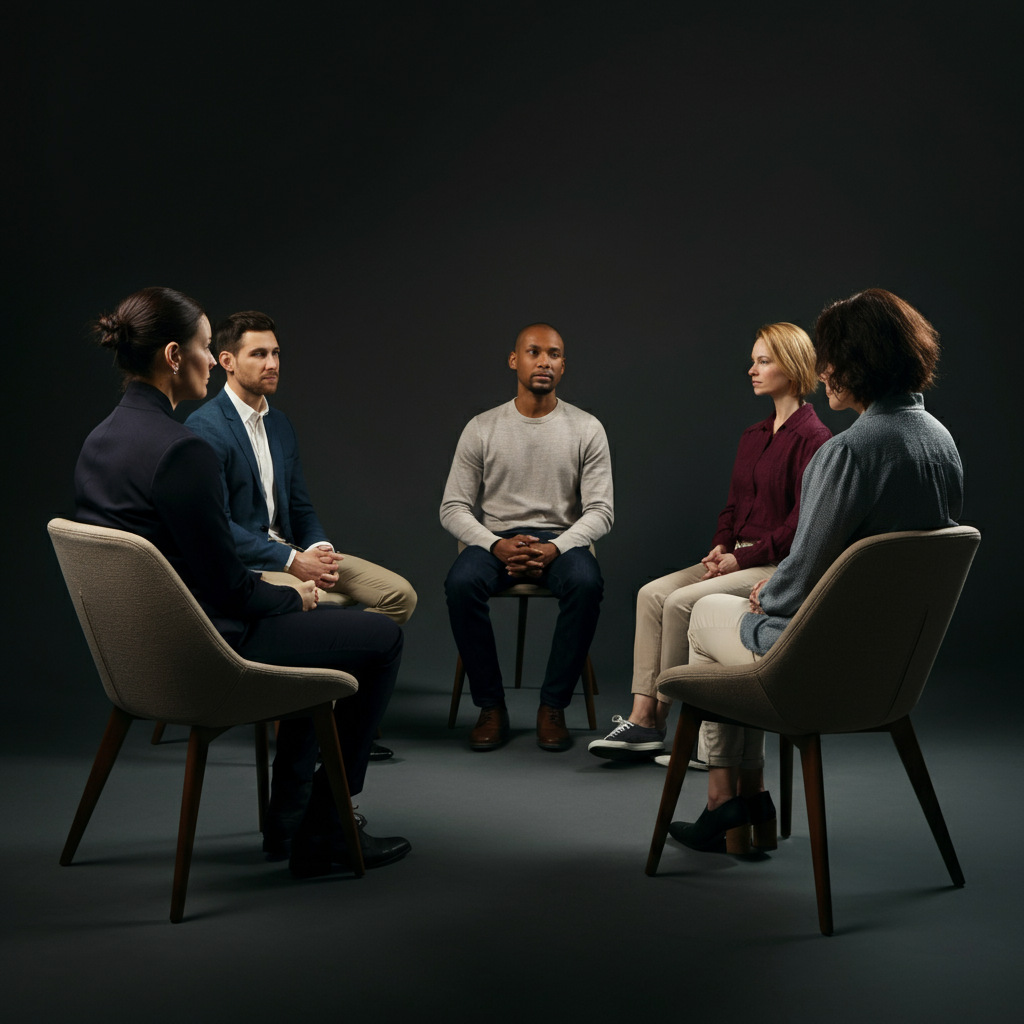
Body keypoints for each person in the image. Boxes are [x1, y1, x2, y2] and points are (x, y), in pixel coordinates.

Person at [73, 286, 411, 877]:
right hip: (204, 652)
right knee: (379, 641)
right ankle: (326, 828)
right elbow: (230, 590)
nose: (213, 358)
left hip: (136, 661)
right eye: (207, 347)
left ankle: (290, 823)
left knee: (325, 633)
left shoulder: (99, 441)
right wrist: (291, 592)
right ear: (176, 357)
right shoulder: (183, 450)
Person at [669, 288, 963, 853]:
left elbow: (800, 577)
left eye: (832, 358)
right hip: (894, 670)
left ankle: (726, 803)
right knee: (737, 606)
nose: (823, 371)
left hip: (822, 666)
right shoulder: (941, 443)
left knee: (704, 612)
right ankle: (747, 809)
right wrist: (777, 584)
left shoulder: (849, 452)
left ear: (860, 363)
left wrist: (765, 595)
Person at [588, 323, 831, 766]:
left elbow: (800, 527)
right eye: (754, 360)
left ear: (792, 367)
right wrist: (720, 548)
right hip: (734, 557)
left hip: (770, 565)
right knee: (651, 595)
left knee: (680, 603)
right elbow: (733, 505)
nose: (752, 370)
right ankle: (645, 718)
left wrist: (742, 557)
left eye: (764, 361)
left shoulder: (815, 439)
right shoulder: (753, 435)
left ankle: (673, 724)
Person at [185, 310, 417, 761]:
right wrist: (293, 564)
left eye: (275, 353)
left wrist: (318, 549)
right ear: (227, 361)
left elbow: (300, 506)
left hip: (293, 551)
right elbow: (219, 527)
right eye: (259, 354)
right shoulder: (205, 429)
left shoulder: (280, 425)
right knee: (322, 608)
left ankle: (335, 710)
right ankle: (320, 719)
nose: (272, 363)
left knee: (399, 596)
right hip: (250, 565)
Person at [441, 323, 613, 752]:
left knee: (587, 583)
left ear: (563, 365)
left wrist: (555, 547)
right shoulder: (482, 427)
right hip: (495, 540)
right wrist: (494, 544)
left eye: (553, 354)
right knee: (460, 584)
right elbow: (453, 507)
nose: (544, 362)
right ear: (514, 360)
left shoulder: (587, 428)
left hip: (562, 540)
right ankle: (490, 706)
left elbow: (601, 511)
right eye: (533, 352)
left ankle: (552, 706)